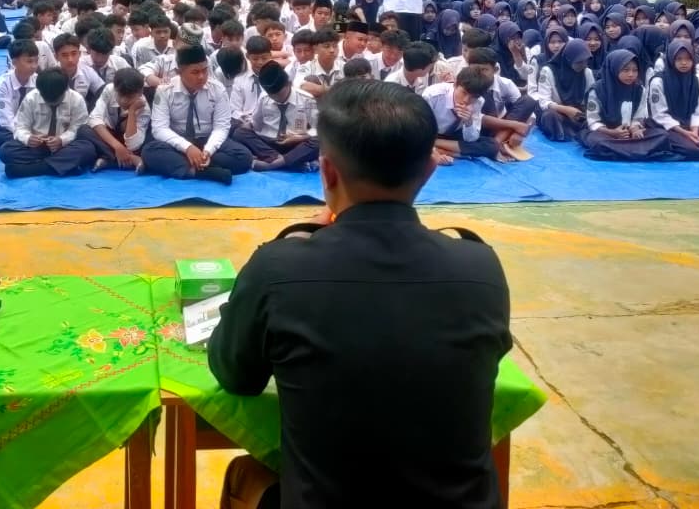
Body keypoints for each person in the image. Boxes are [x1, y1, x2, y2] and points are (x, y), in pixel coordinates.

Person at [208, 80, 511, 509]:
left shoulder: (279, 268)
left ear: (327, 172)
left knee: (248, 474)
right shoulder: (481, 269)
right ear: (429, 169)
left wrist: (302, 234)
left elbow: (234, 375)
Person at [141, 45, 252, 184]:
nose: (201, 77)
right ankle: (206, 172)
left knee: (244, 157)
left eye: (205, 71)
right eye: (195, 72)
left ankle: (191, 167)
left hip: (207, 138)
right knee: (149, 150)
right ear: (179, 72)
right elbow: (159, 128)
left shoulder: (217, 89)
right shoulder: (164, 90)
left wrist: (208, 151)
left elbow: (221, 127)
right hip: (178, 141)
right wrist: (187, 147)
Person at [0, 68, 96, 178]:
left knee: (88, 149)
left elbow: (78, 128)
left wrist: (62, 140)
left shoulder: (76, 99)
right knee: (6, 151)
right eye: (47, 98)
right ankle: (64, 166)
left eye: (56, 99)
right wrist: (28, 138)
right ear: (40, 90)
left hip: (64, 147)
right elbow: (20, 126)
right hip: (38, 148)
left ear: (65, 89)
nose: (51, 102)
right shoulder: (31, 98)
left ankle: (33, 169)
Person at [581, 50, 672, 161]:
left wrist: (635, 128)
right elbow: (593, 121)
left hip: (628, 133)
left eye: (635, 70)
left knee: (662, 136)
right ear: (613, 69)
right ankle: (637, 150)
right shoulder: (597, 90)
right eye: (625, 70)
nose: (631, 75)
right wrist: (612, 132)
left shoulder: (639, 89)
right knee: (599, 143)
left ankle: (623, 151)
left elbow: (638, 115)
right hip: (605, 133)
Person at [229, 61, 319, 172]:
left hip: (296, 144)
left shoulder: (306, 99)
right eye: (272, 95)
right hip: (270, 145)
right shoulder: (264, 98)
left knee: (320, 141)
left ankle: (273, 164)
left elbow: (317, 129)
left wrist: (299, 137)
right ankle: (286, 160)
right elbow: (256, 125)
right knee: (239, 132)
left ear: (289, 84)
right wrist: (244, 127)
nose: (276, 98)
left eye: (279, 94)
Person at [647, 39, 699, 161]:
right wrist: (684, 132)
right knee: (691, 149)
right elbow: (659, 115)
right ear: (671, 59)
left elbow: (698, 109)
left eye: (688, 59)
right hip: (666, 127)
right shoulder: (659, 82)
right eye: (679, 59)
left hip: (689, 125)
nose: (684, 63)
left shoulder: (695, 81)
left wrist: (694, 130)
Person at [79, 66, 151, 172]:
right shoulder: (109, 89)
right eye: (120, 95)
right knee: (84, 130)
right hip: (108, 137)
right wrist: (117, 146)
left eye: (129, 97)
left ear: (140, 93)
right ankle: (127, 158)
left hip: (126, 142)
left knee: (146, 146)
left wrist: (132, 112)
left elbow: (133, 145)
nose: (123, 101)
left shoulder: (145, 109)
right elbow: (94, 118)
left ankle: (108, 158)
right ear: (115, 89)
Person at [422, 65, 497, 164]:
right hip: (429, 135)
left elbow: (470, 139)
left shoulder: (478, 102)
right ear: (455, 84)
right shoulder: (433, 95)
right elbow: (419, 131)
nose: (466, 100)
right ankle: (437, 149)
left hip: (451, 137)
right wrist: (433, 153)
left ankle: (444, 149)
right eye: (464, 93)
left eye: (473, 97)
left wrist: (468, 121)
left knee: (492, 146)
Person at [536, 38, 594, 143]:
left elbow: (591, 97)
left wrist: (581, 112)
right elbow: (544, 101)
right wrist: (566, 110)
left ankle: (574, 134)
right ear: (568, 59)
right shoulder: (548, 71)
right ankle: (568, 135)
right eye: (579, 62)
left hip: (578, 113)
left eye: (586, 61)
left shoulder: (586, 72)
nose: (584, 64)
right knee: (549, 116)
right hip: (558, 112)